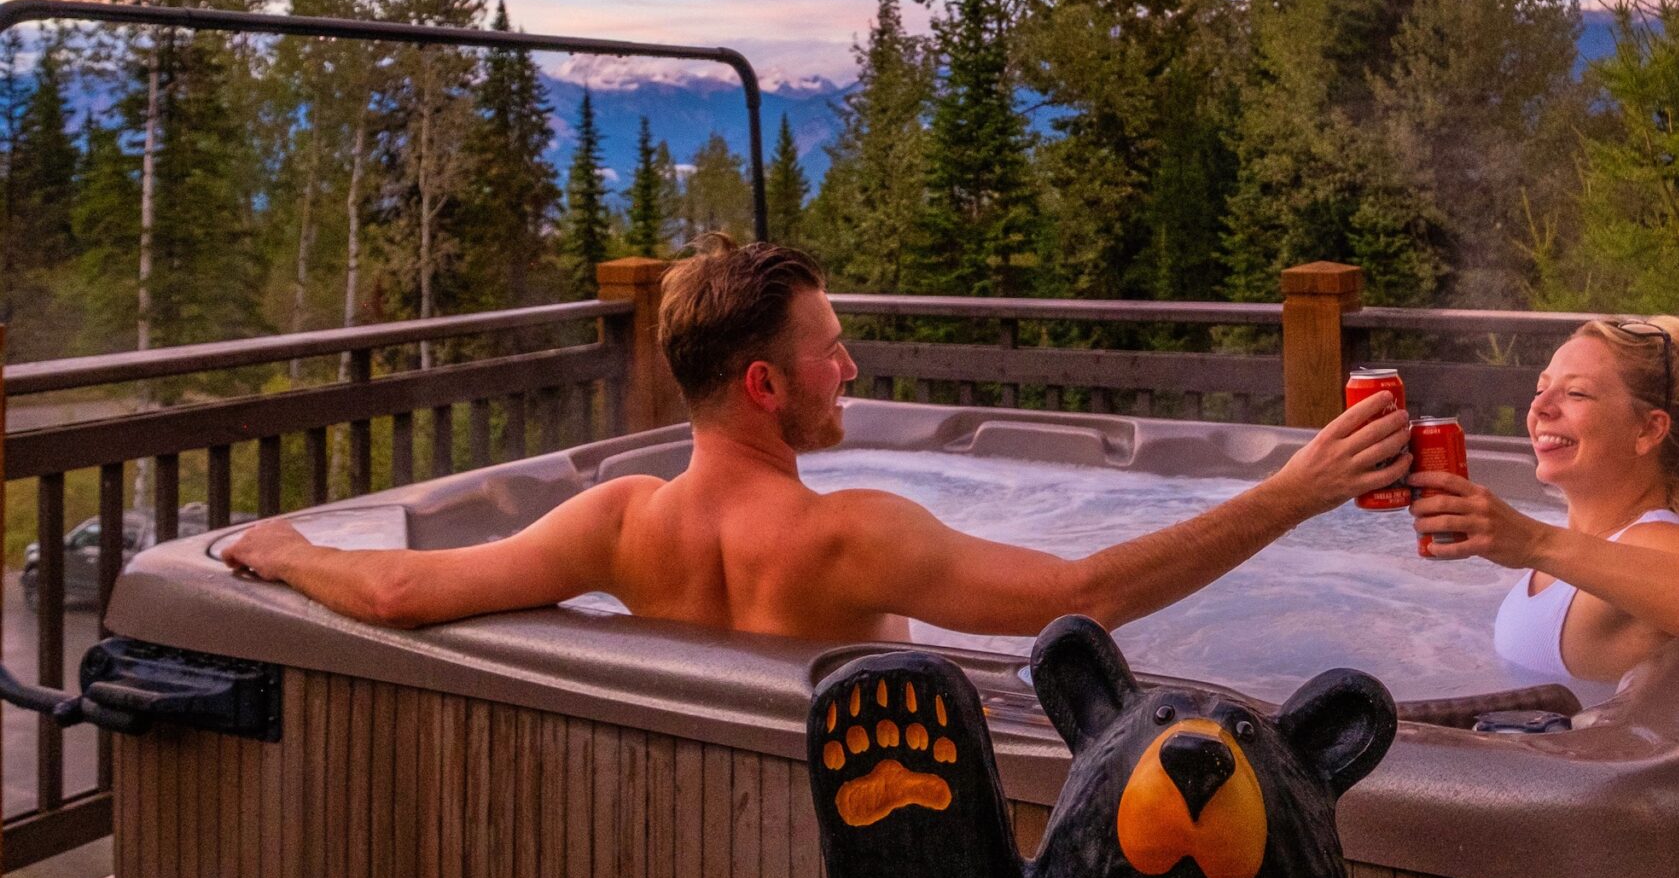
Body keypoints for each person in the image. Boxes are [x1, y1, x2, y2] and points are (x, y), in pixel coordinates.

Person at [223, 237, 1414, 643]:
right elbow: (1085, 593)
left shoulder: (619, 519)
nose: (848, 368)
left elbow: (390, 588)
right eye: (827, 351)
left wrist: (280, 549)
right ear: (759, 383)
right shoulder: (850, 538)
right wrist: (1295, 489)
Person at [1406, 315, 1679, 702]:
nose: (1540, 409)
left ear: (1649, 430)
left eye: (1577, 394)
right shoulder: (1607, 538)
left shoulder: (1652, 540)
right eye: (1541, 389)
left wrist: (1532, 541)